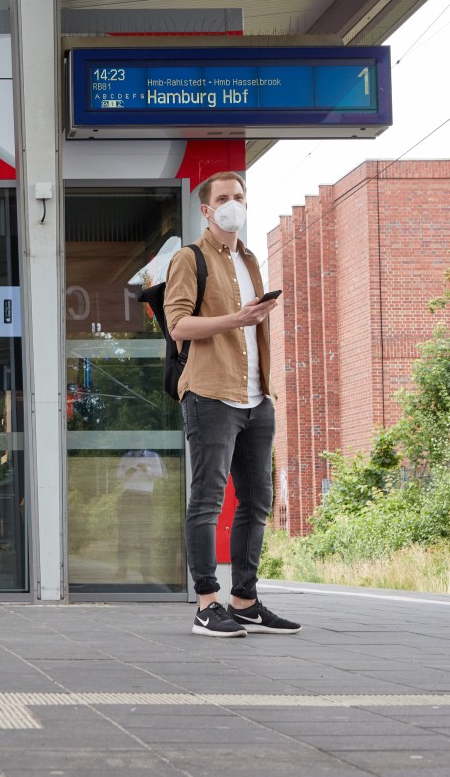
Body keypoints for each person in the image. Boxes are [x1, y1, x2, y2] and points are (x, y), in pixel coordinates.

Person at [165, 171, 300, 638]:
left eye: (239, 197)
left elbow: (252, 329)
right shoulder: (190, 258)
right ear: (206, 209)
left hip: (257, 397)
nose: (232, 204)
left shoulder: (250, 259)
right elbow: (178, 326)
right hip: (211, 393)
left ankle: (244, 600)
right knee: (206, 501)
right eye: (223, 198)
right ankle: (207, 603)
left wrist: (254, 320)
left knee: (258, 499)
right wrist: (236, 319)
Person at [114, 448, 163, 581]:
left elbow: (160, 475)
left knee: (144, 535)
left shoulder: (153, 456)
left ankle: (146, 573)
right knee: (124, 534)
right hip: (128, 495)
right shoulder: (127, 456)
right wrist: (127, 473)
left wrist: (146, 469)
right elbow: (118, 476)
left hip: (145, 496)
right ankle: (122, 569)